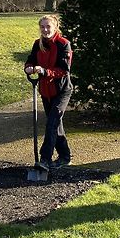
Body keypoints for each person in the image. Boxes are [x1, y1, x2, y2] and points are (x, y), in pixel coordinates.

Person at [24, 14, 73, 169]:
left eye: (48, 26)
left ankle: (45, 159)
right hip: (46, 91)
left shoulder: (64, 44)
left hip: (62, 90)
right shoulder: (38, 44)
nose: (45, 30)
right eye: (42, 27)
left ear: (55, 27)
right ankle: (65, 156)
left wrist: (45, 71)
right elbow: (31, 59)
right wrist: (28, 67)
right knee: (55, 125)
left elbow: (64, 70)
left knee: (51, 124)